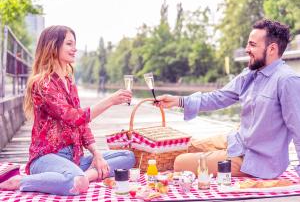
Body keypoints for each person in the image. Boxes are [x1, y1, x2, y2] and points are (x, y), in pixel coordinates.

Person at [156, 19, 300, 179]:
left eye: (252, 45)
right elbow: (218, 97)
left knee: (179, 162)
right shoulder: (249, 74)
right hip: (237, 141)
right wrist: (178, 101)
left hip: (255, 160)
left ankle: (219, 158)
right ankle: (218, 155)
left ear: (272, 49)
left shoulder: (287, 80)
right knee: (186, 148)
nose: (246, 49)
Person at [0, 25, 135, 195]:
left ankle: (84, 177)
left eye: (74, 44)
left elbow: (82, 126)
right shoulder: (42, 83)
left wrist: (97, 154)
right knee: (75, 181)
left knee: (128, 157)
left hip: (74, 159)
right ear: (52, 46)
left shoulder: (69, 82)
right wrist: (110, 101)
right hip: (46, 158)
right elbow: (73, 117)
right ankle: (20, 181)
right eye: (69, 44)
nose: (75, 49)